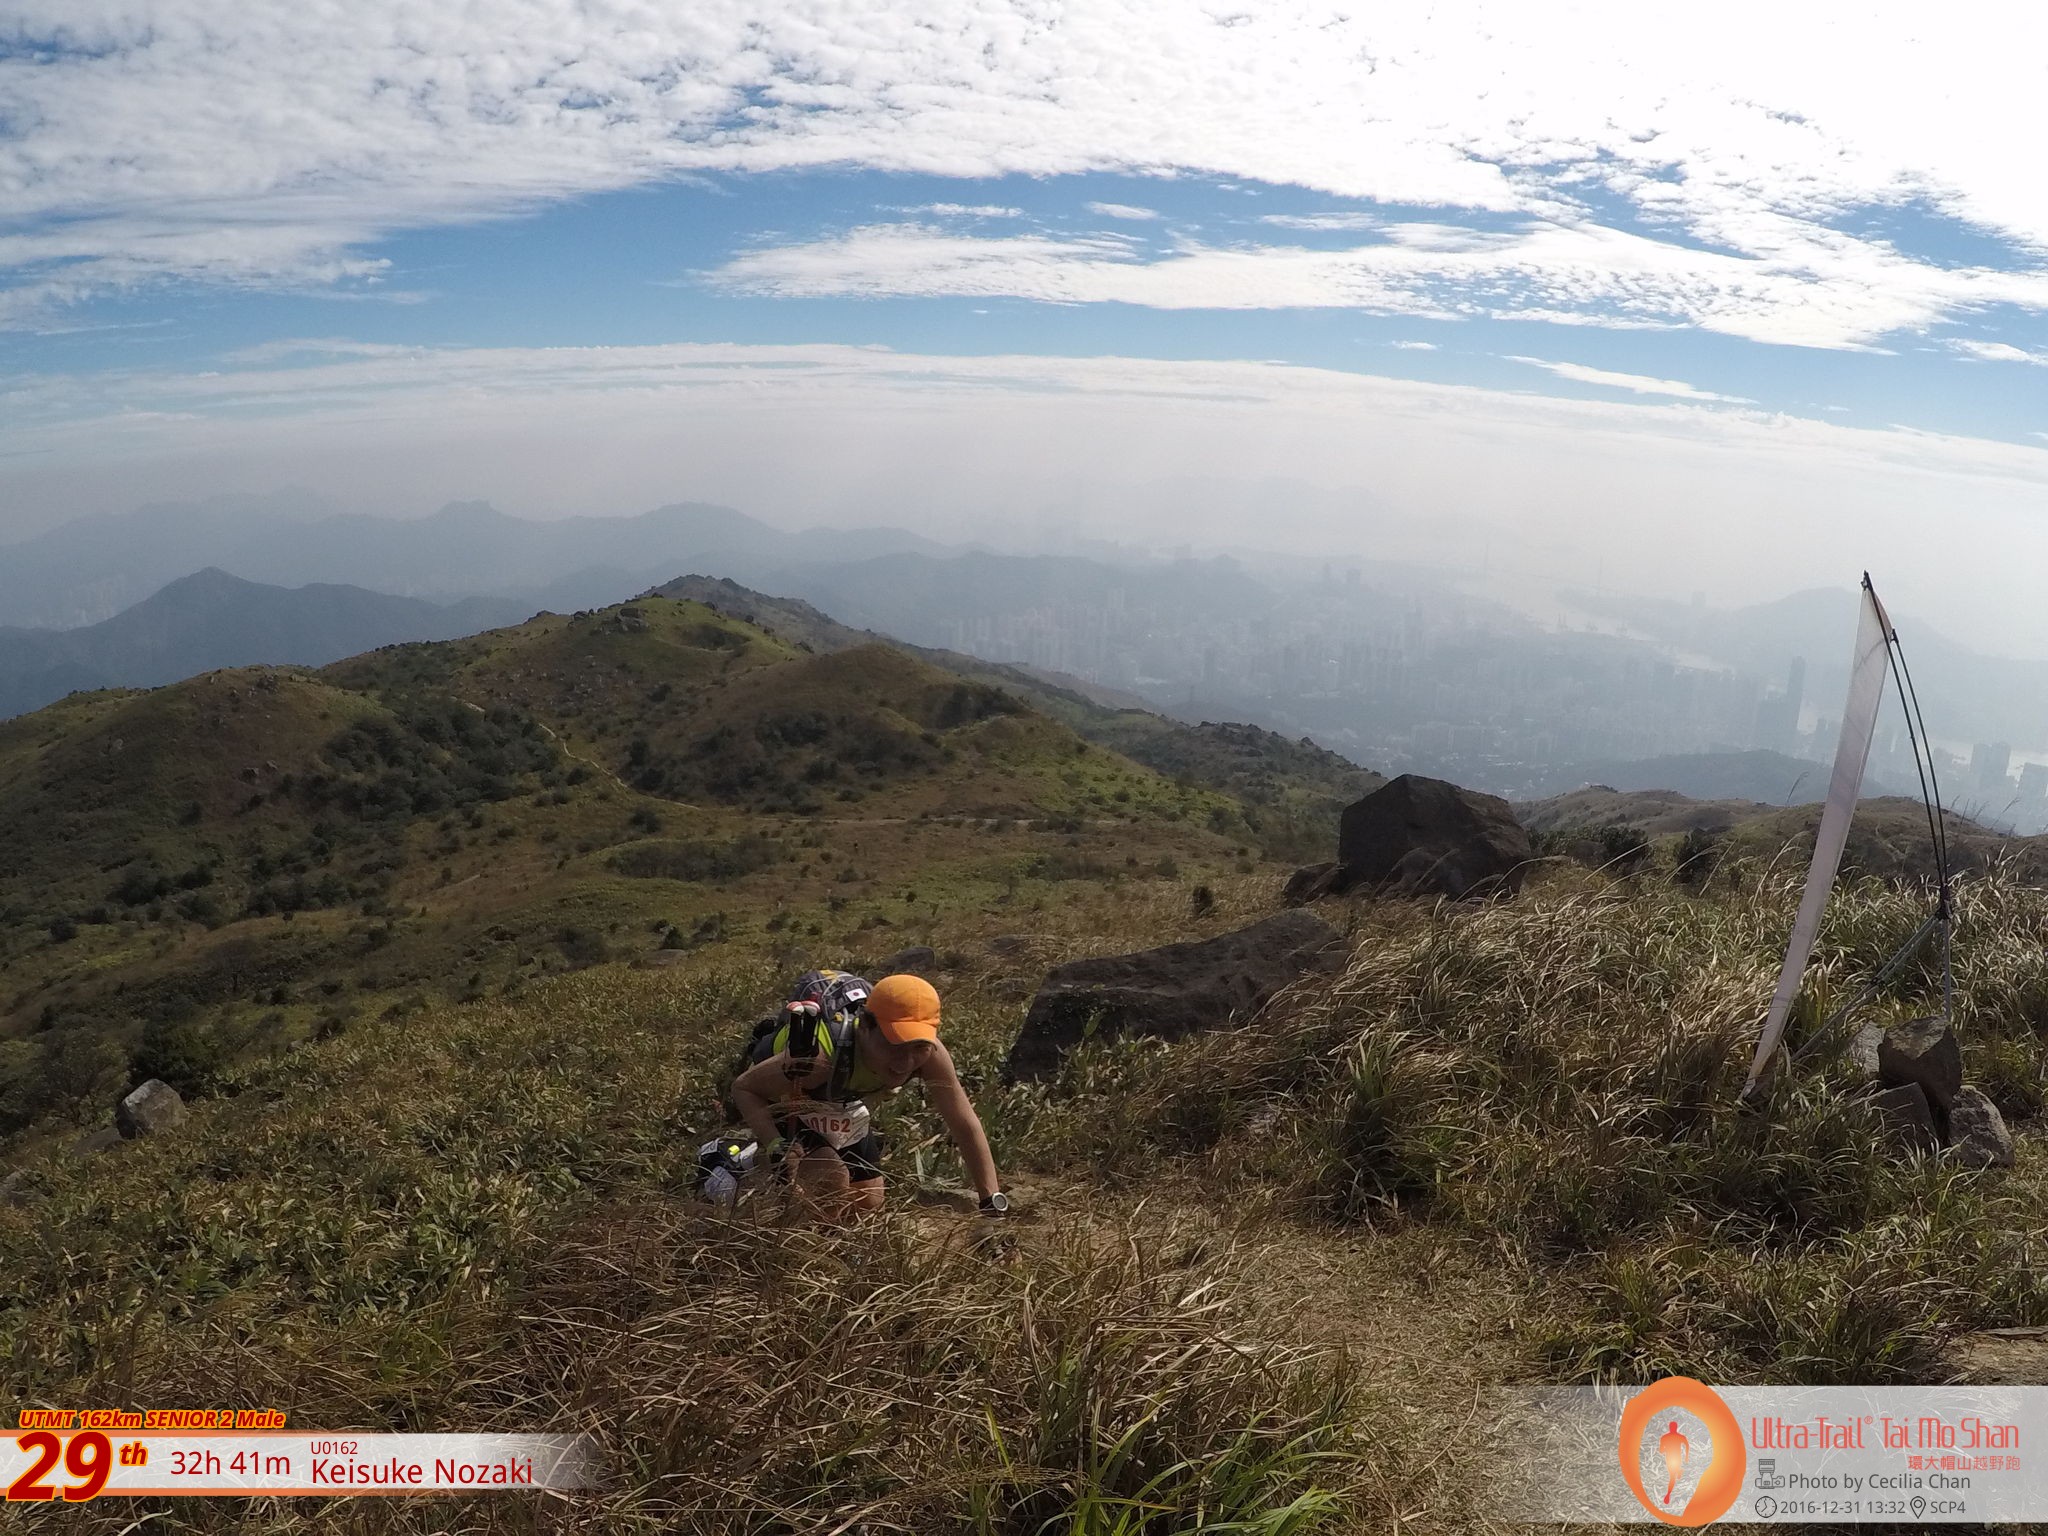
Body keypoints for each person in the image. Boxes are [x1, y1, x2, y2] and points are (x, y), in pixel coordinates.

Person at [728, 973, 1008, 1221]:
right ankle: (737, 1166)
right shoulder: (819, 1059)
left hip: (840, 1102)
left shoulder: (930, 1054)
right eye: (893, 1043)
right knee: (830, 1181)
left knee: (867, 1202)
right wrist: (775, 1145)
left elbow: (964, 1125)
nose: (905, 1062)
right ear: (864, 1026)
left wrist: (991, 1203)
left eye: (918, 1046)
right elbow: (744, 1088)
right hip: (788, 1096)